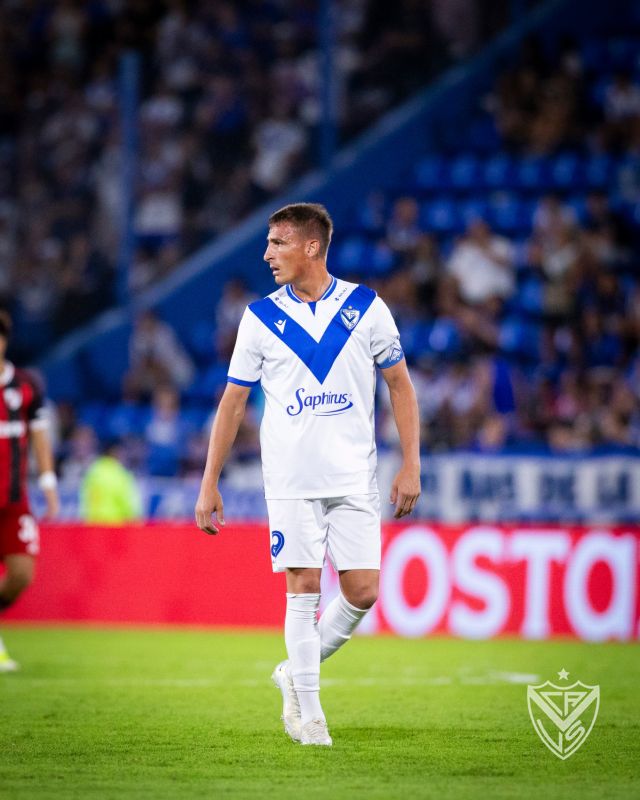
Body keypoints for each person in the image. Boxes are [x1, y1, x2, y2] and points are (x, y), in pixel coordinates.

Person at [195, 203, 421, 746]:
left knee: (363, 591)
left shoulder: (367, 308)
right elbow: (232, 404)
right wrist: (209, 481)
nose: (267, 254)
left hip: (355, 476)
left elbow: (400, 386)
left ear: (311, 247)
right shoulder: (259, 319)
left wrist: (412, 463)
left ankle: (293, 673)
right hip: (291, 480)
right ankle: (312, 718)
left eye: (278, 243)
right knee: (303, 589)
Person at [0, 311, 59, 672]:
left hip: (14, 500)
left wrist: (48, 483)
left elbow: (39, 436)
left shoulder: (25, 385)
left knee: (22, 574)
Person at [80, 440, 142, 524]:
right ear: (114, 452)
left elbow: (84, 498)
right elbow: (128, 503)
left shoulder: (93, 471)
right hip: (114, 525)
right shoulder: (119, 473)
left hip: (93, 523)